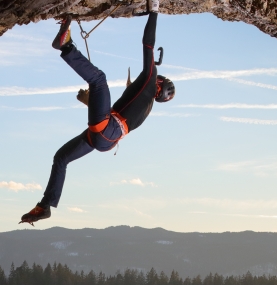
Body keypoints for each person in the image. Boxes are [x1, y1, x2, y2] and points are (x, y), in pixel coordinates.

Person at [20, 0, 174, 225]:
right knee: (61, 158)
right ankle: (45, 207)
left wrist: (154, 12)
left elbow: (148, 44)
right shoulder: (144, 106)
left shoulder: (150, 82)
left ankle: (67, 46)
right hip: (106, 138)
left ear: (159, 85)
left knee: (98, 79)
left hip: (108, 130)